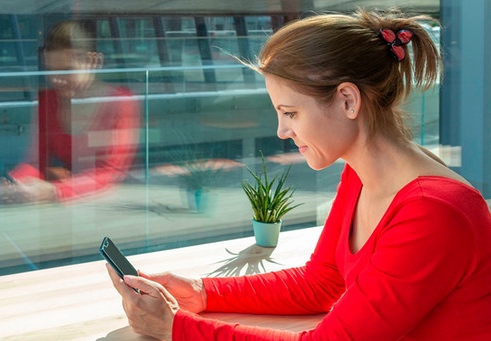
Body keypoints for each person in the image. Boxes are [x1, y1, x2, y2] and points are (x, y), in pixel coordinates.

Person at [107, 8, 491, 340]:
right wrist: (203, 291)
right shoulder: (362, 175)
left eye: (290, 113)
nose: (282, 131)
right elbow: (322, 283)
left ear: (347, 100)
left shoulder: (433, 212)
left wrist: (176, 328)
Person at [0, 19, 141, 203]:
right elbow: (35, 161)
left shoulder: (120, 102)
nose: (57, 80)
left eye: (67, 70)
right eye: (51, 71)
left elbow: (111, 172)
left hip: (122, 201)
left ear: (92, 61)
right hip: (73, 199)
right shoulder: (47, 101)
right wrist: (14, 183)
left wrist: (53, 191)